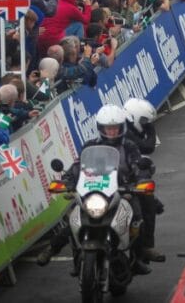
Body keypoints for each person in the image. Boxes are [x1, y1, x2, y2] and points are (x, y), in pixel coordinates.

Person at [37, 105, 152, 275]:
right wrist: (68, 180)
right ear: (101, 128)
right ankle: (53, 250)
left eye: (115, 128)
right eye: (108, 128)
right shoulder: (90, 146)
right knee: (75, 219)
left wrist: (139, 180)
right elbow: (77, 166)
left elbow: (138, 165)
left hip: (123, 190)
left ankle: (139, 255)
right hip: (94, 192)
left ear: (122, 128)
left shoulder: (129, 146)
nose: (112, 132)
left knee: (137, 216)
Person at [122, 98, 164, 264]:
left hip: (127, 173)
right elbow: (148, 146)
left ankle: (146, 246)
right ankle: (55, 247)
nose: (112, 131)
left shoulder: (129, 131)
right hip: (110, 176)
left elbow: (142, 155)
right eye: (144, 121)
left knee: (148, 200)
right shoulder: (125, 130)